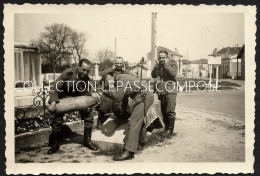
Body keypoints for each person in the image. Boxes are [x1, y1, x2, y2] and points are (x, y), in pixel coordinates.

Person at [47, 59, 98, 154]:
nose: (85, 72)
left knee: (89, 114)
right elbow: (54, 86)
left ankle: (87, 141)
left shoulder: (86, 78)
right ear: (78, 67)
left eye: (87, 70)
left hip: (77, 99)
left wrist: (89, 100)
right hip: (64, 98)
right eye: (83, 70)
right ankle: (55, 144)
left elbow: (86, 92)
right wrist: (53, 102)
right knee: (57, 119)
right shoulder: (68, 73)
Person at [102, 74, 154, 161]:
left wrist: (109, 89)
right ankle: (142, 141)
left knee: (133, 122)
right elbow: (124, 98)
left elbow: (118, 97)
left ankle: (129, 151)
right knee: (138, 120)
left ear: (108, 78)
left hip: (145, 97)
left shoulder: (121, 79)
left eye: (107, 84)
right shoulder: (120, 79)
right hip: (140, 97)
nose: (109, 86)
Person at [151, 50, 178, 137]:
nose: (162, 59)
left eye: (163, 57)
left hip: (170, 90)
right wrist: (156, 66)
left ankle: (170, 129)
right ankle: (166, 128)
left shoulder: (172, 63)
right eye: (160, 57)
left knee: (170, 110)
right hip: (161, 90)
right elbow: (153, 75)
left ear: (167, 57)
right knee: (163, 111)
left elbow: (173, 74)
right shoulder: (159, 65)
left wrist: (166, 64)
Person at [97, 57, 129, 125]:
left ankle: (121, 119)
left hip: (120, 94)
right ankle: (100, 121)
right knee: (104, 108)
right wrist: (112, 68)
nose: (119, 65)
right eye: (117, 63)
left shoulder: (126, 72)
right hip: (111, 93)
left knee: (124, 109)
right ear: (114, 63)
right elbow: (102, 74)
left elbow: (132, 78)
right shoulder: (110, 72)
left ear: (123, 64)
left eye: (121, 63)